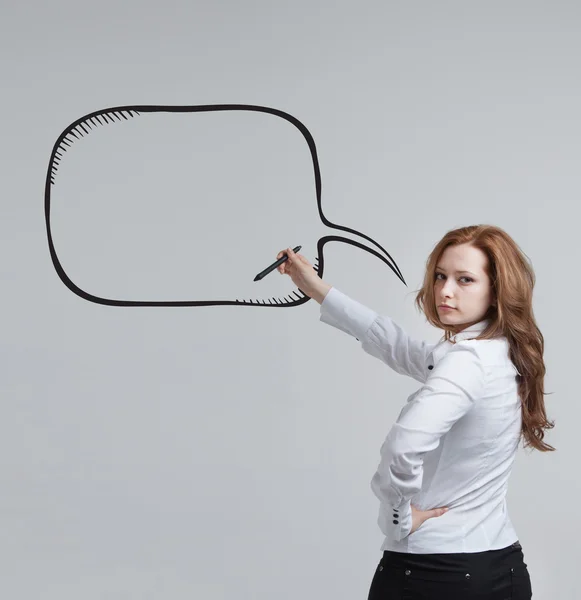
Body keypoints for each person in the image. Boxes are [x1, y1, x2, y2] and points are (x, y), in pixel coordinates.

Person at [276, 224, 554, 600]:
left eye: (465, 279)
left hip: (435, 574)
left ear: (497, 290)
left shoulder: (467, 362)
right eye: (440, 276)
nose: (445, 290)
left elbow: (403, 446)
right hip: (500, 567)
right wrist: (314, 287)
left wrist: (398, 518)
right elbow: (398, 346)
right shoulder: (499, 353)